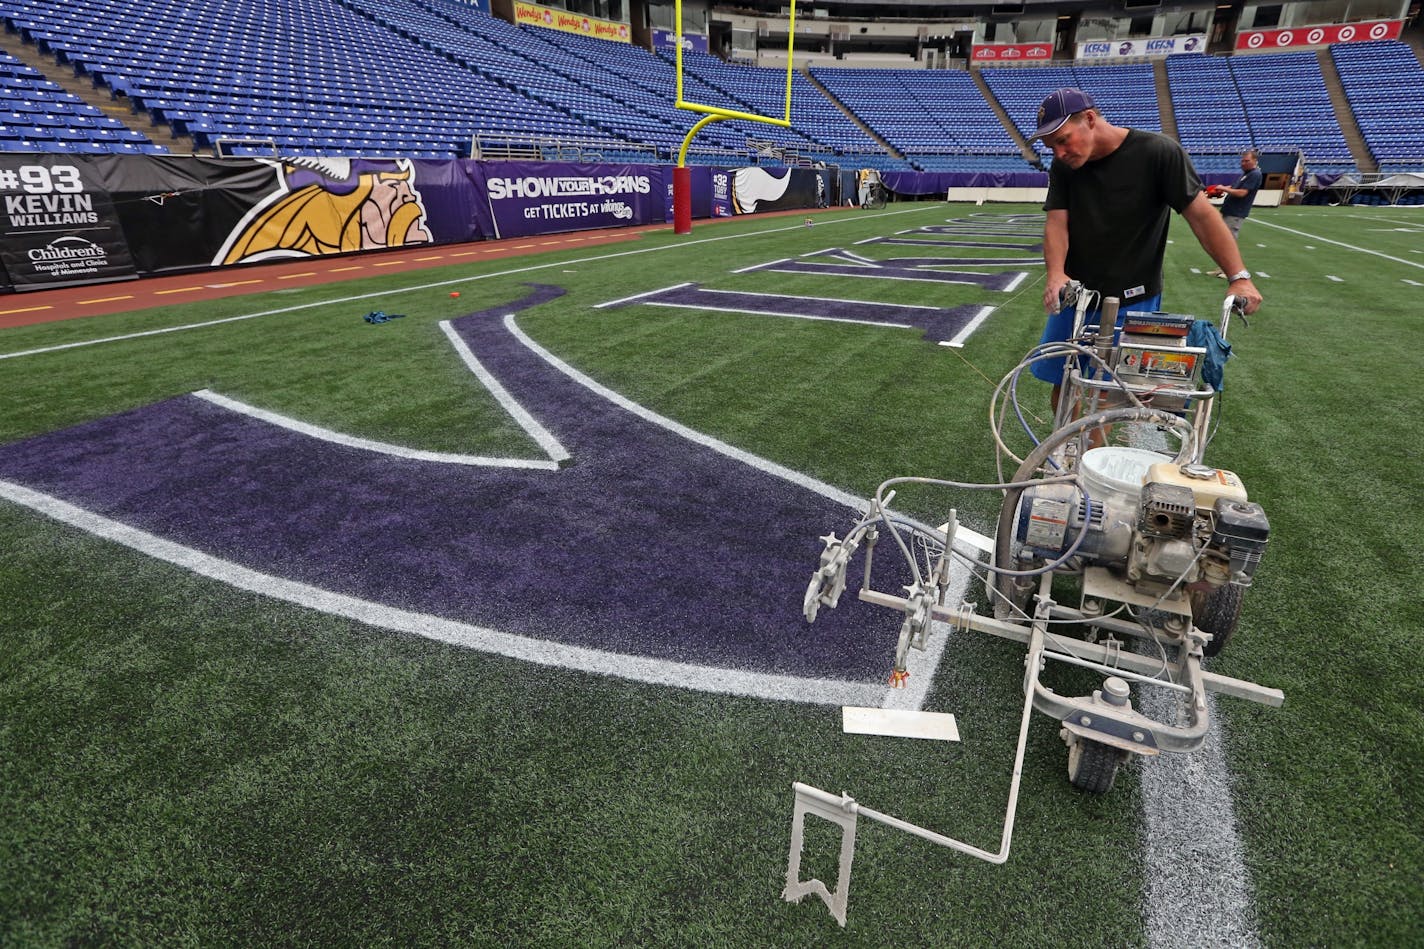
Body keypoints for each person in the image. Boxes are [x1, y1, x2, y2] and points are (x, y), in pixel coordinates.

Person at [1030, 88, 1263, 404]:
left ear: (1089, 119)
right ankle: (1063, 452)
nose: (1058, 153)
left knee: (1110, 392)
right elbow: (1057, 222)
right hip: (1077, 294)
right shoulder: (1065, 167)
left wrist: (1239, 277)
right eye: (1050, 146)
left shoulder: (1158, 153)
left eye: (1063, 140)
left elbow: (1202, 217)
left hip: (1134, 295)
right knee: (1064, 383)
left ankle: (1091, 453)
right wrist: (1056, 273)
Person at [1206, 148, 1263, 275]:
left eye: (1247, 161)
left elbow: (1242, 193)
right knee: (1223, 241)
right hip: (1229, 210)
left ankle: (1231, 271)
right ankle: (1223, 268)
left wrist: (1223, 189)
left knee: (1229, 242)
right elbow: (1235, 187)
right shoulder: (1246, 174)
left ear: (1255, 160)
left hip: (1236, 212)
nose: (1243, 163)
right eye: (1242, 161)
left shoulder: (1255, 174)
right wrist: (1223, 189)